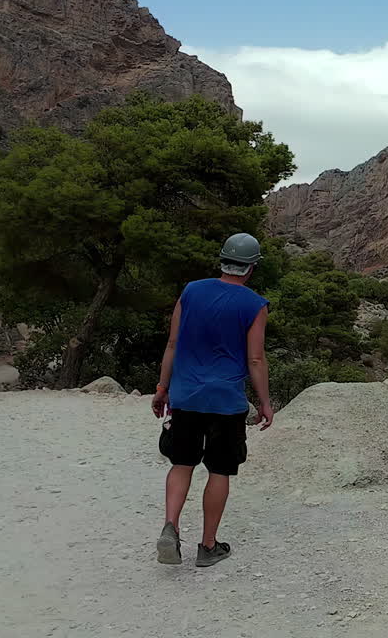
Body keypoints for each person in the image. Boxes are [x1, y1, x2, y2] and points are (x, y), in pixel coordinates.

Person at [151, 233, 273, 567]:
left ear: (222, 260)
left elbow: (173, 344)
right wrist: (264, 402)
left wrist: (163, 389)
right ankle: (207, 547)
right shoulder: (254, 304)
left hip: (186, 395)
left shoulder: (191, 291)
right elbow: (256, 360)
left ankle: (171, 527)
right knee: (220, 470)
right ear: (250, 268)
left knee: (182, 463)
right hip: (225, 400)